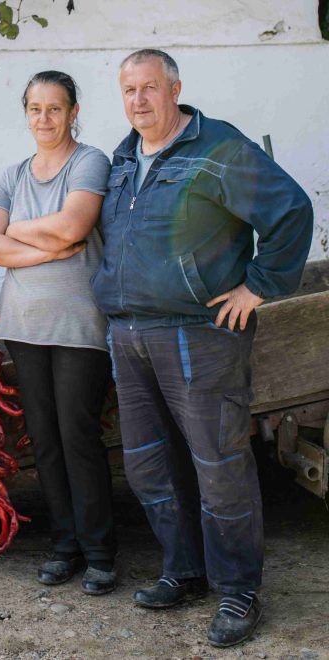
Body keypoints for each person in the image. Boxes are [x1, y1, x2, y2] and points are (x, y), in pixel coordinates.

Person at [91, 49, 313, 647]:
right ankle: (183, 570)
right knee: (148, 464)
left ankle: (239, 589)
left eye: (150, 88)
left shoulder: (218, 148)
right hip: (129, 333)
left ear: (175, 89)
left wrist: (259, 285)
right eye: (129, 90)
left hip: (199, 333)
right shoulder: (122, 159)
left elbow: (291, 210)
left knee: (219, 467)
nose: (139, 100)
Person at [0, 71, 117, 595]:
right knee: (46, 440)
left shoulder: (89, 162)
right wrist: (48, 247)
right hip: (24, 324)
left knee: (79, 435)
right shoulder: (12, 175)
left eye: (55, 108)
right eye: (35, 108)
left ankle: (101, 553)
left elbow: (73, 227)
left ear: (73, 111)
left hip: (79, 323)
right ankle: (66, 547)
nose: (44, 118)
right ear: (26, 113)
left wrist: (16, 231)